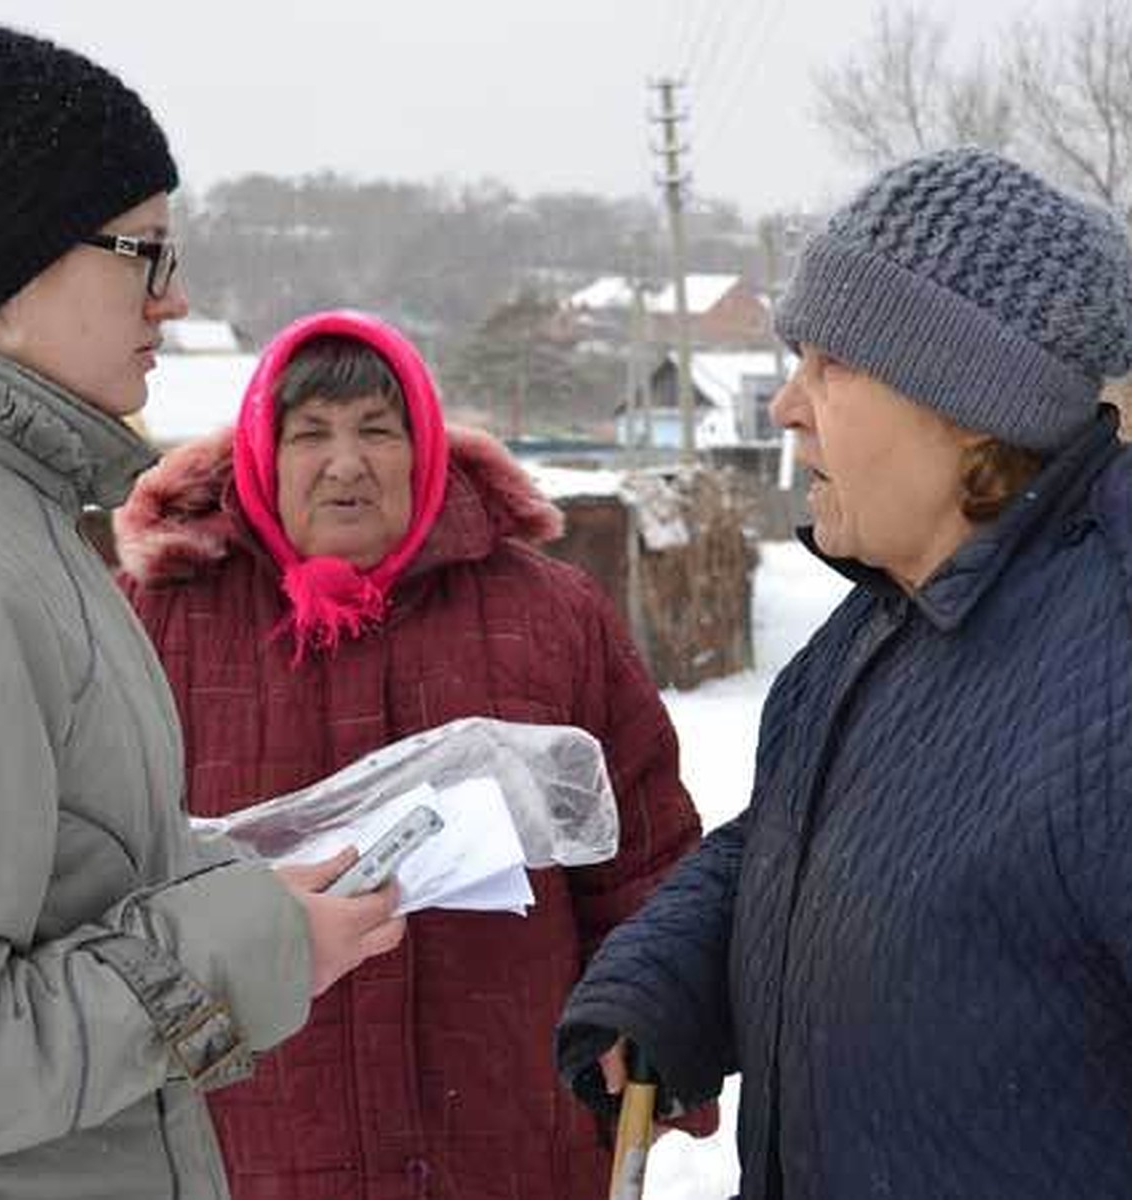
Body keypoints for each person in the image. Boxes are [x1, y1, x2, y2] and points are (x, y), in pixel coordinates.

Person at [555, 145, 1132, 1200]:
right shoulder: (882, 618)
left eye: (830, 365)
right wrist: (668, 981)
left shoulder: (1114, 675)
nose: (784, 406)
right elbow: (796, 836)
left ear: (967, 408)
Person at [0, 27, 404, 1200]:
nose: (176, 295)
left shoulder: (25, 523)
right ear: (6, 265)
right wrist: (254, 942)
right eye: (143, 251)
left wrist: (240, 875)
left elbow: (61, 879)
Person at [114, 307, 706, 1199]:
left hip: (512, 1137)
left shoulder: (550, 617)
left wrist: (660, 1016)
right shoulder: (160, 624)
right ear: (261, 459)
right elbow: (97, 878)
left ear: (424, 447)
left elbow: (646, 857)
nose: (345, 463)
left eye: (377, 432)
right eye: (309, 433)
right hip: (250, 1145)